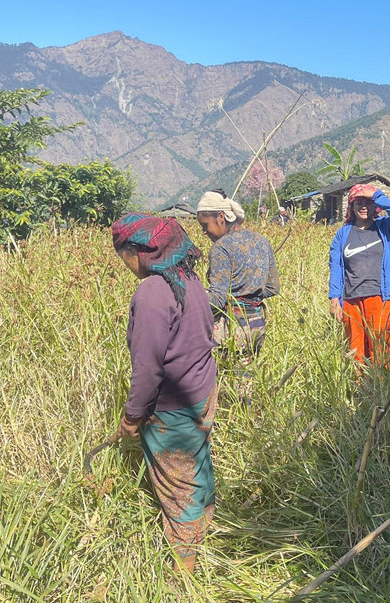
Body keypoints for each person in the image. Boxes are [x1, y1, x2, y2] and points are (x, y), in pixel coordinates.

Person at [111, 213, 218, 573]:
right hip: (202, 392)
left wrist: (132, 416)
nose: (125, 264)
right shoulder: (187, 278)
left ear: (139, 252)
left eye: (124, 254)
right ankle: (205, 530)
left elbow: (148, 367)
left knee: (177, 489)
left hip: (172, 408)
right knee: (197, 464)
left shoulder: (154, 290)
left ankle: (184, 576)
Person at [329, 183, 390, 368]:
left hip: (381, 297)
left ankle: (384, 390)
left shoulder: (384, 226)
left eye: (368, 203)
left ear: (375, 207)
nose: (363, 207)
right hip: (351, 299)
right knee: (356, 350)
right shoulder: (343, 234)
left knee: (381, 349)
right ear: (352, 207)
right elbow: (336, 267)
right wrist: (334, 299)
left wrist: (377, 195)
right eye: (359, 203)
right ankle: (361, 391)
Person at [195, 190, 279, 359]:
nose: (204, 232)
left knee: (224, 381)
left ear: (221, 217)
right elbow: (273, 287)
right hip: (256, 325)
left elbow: (218, 299)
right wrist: (250, 297)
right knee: (246, 380)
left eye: (205, 225)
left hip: (231, 328)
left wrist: (192, 298)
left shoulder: (222, 247)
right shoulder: (261, 240)